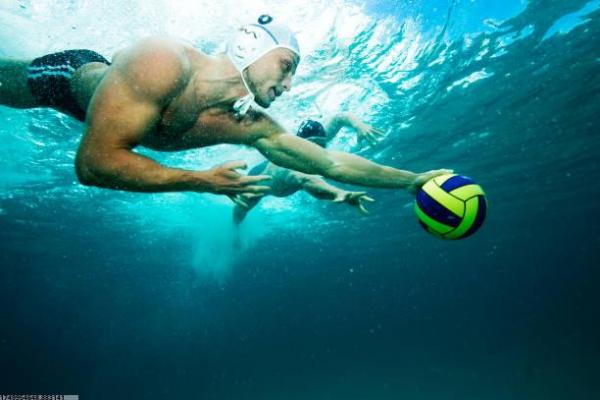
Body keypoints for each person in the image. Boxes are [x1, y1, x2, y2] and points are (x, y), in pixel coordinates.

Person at [0, 15, 451, 206]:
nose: (290, 85)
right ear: (249, 44)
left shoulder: (249, 124)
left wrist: (411, 180)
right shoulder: (163, 62)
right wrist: (202, 181)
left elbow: (329, 163)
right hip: (68, 78)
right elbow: (93, 165)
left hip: (114, 110)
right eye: (286, 66)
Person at [232, 114, 385, 226]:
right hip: (262, 178)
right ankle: (235, 231)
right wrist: (339, 193)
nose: (317, 151)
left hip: (272, 161)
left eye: (321, 146)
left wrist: (360, 126)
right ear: (299, 146)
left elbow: (340, 117)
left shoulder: (318, 141)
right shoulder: (291, 166)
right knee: (241, 209)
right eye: (311, 147)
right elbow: (308, 180)